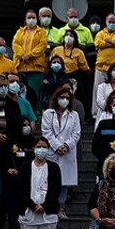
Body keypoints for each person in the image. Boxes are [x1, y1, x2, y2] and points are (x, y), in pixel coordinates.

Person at [17, 136, 61, 229]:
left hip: (47, 213)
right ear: (34, 148)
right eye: (39, 147)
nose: (41, 150)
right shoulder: (25, 167)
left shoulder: (54, 167)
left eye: (44, 147)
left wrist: (45, 205)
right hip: (29, 212)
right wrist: (32, 205)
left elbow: (56, 189)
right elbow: (21, 189)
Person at [40, 87, 81, 217]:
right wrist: (57, 146)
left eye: (67, 98)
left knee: (64, 182)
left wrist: (66, 146)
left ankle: (61, 209)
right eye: (62, 97)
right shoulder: (48, 114)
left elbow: (76, 133)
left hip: (67, 152)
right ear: (56, 98)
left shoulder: (74, 115)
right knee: (51, 180)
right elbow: (46, 132)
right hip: (53, 151)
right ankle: (50, 206)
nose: (64, 100)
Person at [92, 14, 115, 114]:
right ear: (106, 22)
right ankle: (95, 112)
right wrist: (113, 43)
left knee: (114, 90)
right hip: (101, 66)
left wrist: (107, 41)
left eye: (113, 22)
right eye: (110, 22)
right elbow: (98, 43)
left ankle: (114, 109)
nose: (111, 24)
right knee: (97, 90)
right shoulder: (100, 33)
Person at [12, 10, 49, 101]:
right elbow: (15, 44)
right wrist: (22, 55)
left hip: (36, 68)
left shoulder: (42, 32)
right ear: (25, 20)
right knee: (19, 92)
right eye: (29, 18)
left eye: (33, 18)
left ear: (37, 19)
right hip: (20, 67)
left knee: (34, 93)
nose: (31, 19)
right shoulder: (19, 32)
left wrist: (29, 55)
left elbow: (42, 46)